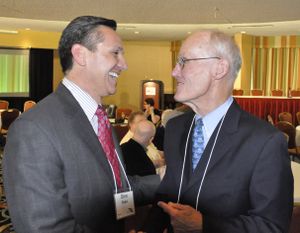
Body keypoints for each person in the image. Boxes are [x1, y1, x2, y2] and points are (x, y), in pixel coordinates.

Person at [3, 16, 160, 233]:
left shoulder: (99, 119)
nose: (124, 64)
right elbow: (45, 228)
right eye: (115, 52)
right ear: (80, 54)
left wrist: (170, 178)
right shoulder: (33, 129)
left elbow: (116, 188)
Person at [142, 30, 294, 233]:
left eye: (184, 61)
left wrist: (206, 226)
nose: (174, 72)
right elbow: (168, 194)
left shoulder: (264, 141)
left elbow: (271, 226)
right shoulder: (176, 129)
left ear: (219, 69)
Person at [121, 111, 165, 176]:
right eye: (140, 121)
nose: (145, 123)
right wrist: (165, 162)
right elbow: (143, 167)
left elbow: (156, 152)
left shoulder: (144, 137)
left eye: (146, 121)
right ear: (131, 124)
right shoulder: (128, 143)